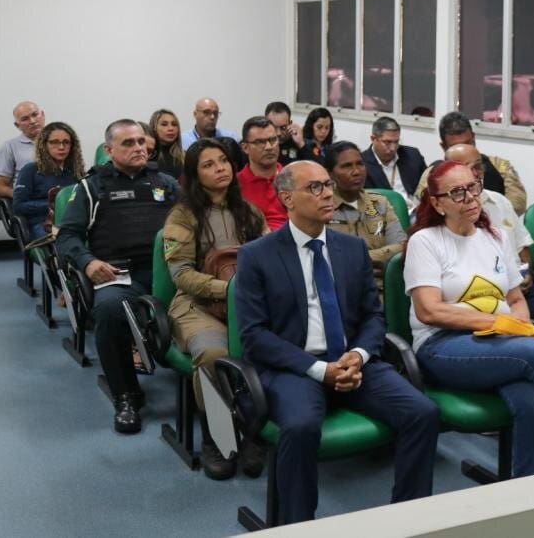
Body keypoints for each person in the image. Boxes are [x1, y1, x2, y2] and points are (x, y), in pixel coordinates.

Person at [234, 160, 439, 525]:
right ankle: (297, 527)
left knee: (422, 413)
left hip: (352, 362)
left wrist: (358, 355)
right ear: (287, 198)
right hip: (296, 367)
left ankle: (409, 520)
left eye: (328, 185)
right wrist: (319, 369)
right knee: (300, 427)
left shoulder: (352, 248)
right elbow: (254, 336)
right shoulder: (257, 255)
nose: (328, 194)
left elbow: (373, 316)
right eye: (315, 187)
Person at [405, 160, 534, 476]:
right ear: (438, 204)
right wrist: (496, 324)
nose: (471, 197)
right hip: (442, 345)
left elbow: (516, 299)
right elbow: (429, 311)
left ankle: (524, 486)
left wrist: (516, 326)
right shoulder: (425, 241)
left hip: (498, 343)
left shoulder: (496, 238)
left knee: (532, 401)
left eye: (473, 187)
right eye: (458, 193)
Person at [56, 119, 179, 433]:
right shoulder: (91, 187)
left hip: (168, 272)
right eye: (128, 143)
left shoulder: (166, 182)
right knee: (110, 310)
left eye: (141, 141)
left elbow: (191, 224)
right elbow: (67, 236)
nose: (138, 148)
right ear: (109, 150)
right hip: (119, 273)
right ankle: (126, 395)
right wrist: (88, 263)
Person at [163, 139, 268, 480]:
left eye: (223, 161)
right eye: (208, 164)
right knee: (213, 354)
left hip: (246, 302)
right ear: (195, 175)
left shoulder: (249, 211)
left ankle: (251, 430)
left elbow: (270, 259)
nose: (220, 168)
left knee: (273, 346)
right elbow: (181, 274)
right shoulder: (182, 215)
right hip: (197, 304)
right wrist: (231, 291)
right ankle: (217, 436)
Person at [444, 143, 534, 310]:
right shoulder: (448, 211)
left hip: (517, 289)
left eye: (479, 166)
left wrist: (527, 273)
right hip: (481, 293)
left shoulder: (500, 202)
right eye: (468, 168)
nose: (476, 173)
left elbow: (522, 246)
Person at [324, 142, 406, 291]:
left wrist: (357, 261)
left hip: (380, 290)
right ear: (330, 173)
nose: (356, 172)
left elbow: (401, 248)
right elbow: (327, 258)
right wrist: (372, 265)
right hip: (340, 290)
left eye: (360, 164)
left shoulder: (379, 203)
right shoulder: (323, 207)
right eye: (346, 166)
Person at [414, 111, 527, 215]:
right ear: (444, 147)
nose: (464, 150)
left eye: (468, 143)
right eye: (456, 146)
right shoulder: (433, 173)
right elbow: (420, 209)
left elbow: (517, 205)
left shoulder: (499, 165)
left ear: (473, 138)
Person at [12, 122, 86, 241]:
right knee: (66, 240)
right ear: (44, 145)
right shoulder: (30, 170)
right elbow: (18, 206)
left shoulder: (76, 171)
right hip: (42, 223)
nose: (61, 147)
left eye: (66, 142)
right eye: (54, 142)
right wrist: (53, 205)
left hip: (73, 221)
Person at [362, 116, 426, 209]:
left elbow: (426, 186)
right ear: (373, 139)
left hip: (415, 210)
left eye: (396, 142)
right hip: (383, 214)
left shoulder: (412, 155)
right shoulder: (361, 164)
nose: (393, 148)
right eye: (387, 142)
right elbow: (365, 203)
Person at [237, 116, 286, 230]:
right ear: (245, 147)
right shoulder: (234, 185)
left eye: (273, 140)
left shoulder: (294, 177)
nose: (269, 147)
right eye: (260, 142)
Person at [0, 101, 46, 199]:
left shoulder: (60, 143)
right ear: (17, 125)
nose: (32, 121)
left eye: (35, 115)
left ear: (43, 115)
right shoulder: (9, 147)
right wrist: (20, 195)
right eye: (25, 119)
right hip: (29, 202)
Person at [265, 101, 305, 166]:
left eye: (283, 127)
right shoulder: (259, 143)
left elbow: (316, 168)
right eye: (274, 127)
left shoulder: (297, 141)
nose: (278, 133)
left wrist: (301, 144)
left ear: (290, 124)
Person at [149, 109, 184, 179]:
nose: (171, 128)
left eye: (174, 124)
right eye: (164, 124)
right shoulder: (148, 156)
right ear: (154, 128)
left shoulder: (185, 157)